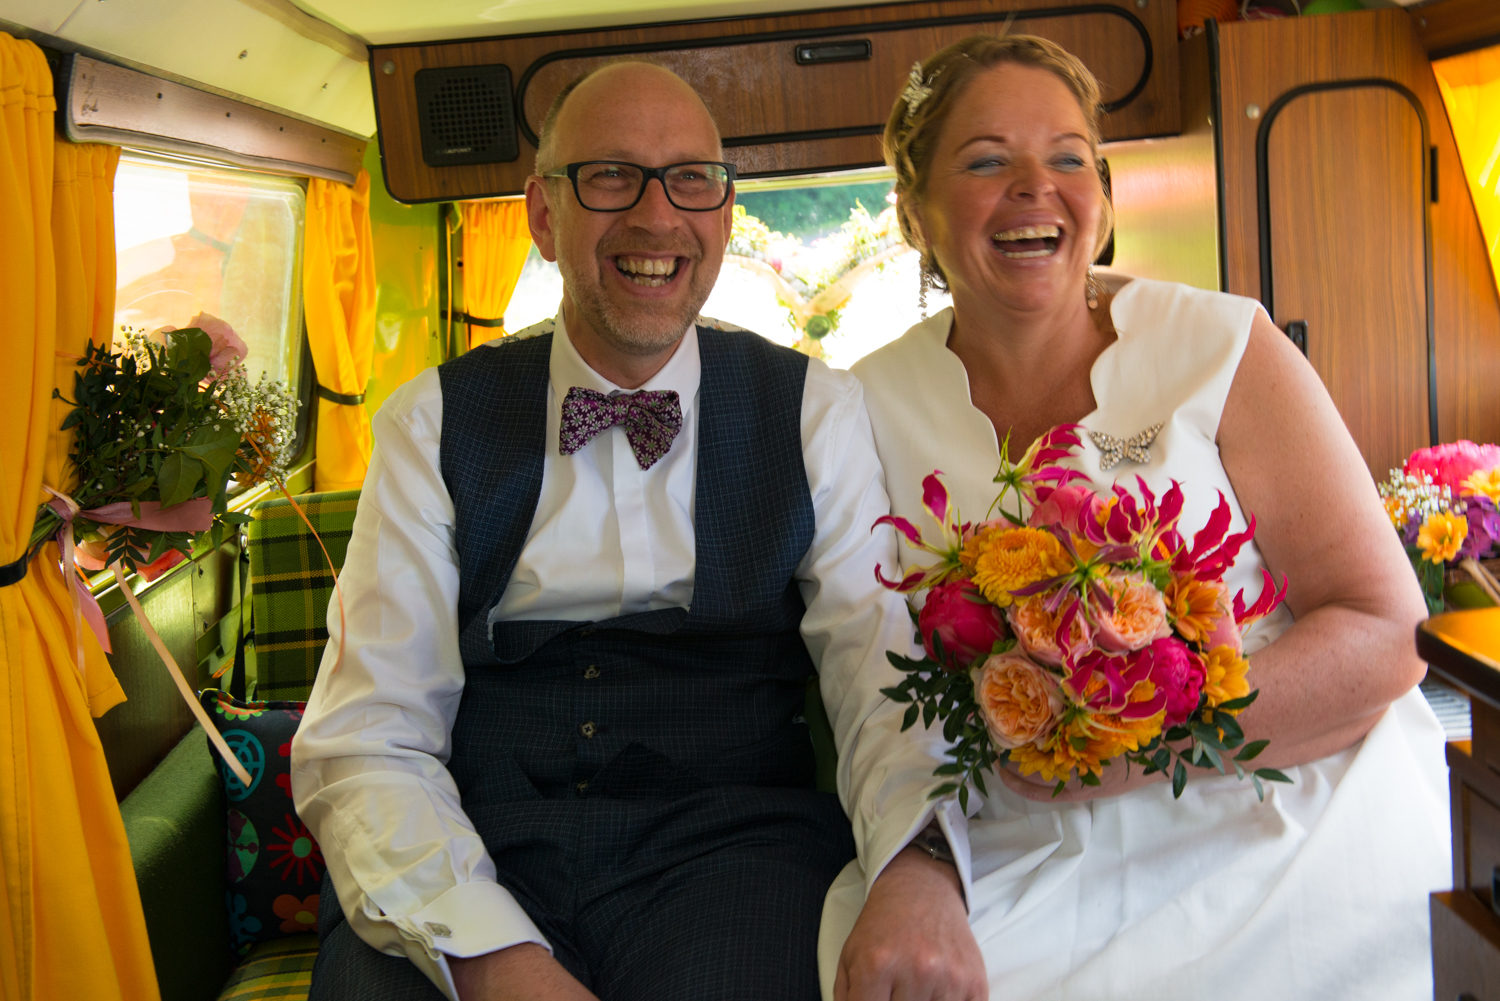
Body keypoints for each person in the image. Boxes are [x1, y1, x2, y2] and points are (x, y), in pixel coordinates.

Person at [291, 61, 966, 1001]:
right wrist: (490, 955)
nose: (657, 216)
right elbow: (369, 734)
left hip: (738, 856)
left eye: (691, 178)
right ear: (543, 215)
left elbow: (877, 677)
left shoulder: (816, 410)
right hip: (474, 840)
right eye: (610, 175)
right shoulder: (429, 422)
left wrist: (920, 866)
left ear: (725, 214)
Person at [823, 34, 1452, 1001]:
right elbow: (870, 684)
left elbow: (1385, 632)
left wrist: (1141, 744)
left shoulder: (1221, 344)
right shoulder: (859, 408)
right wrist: (920, 864)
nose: (1036, 187)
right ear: (914, 210)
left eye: (1069, 158)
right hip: (1020, 827)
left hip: (1276, 792)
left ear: (1104, 199)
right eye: (987, 161)